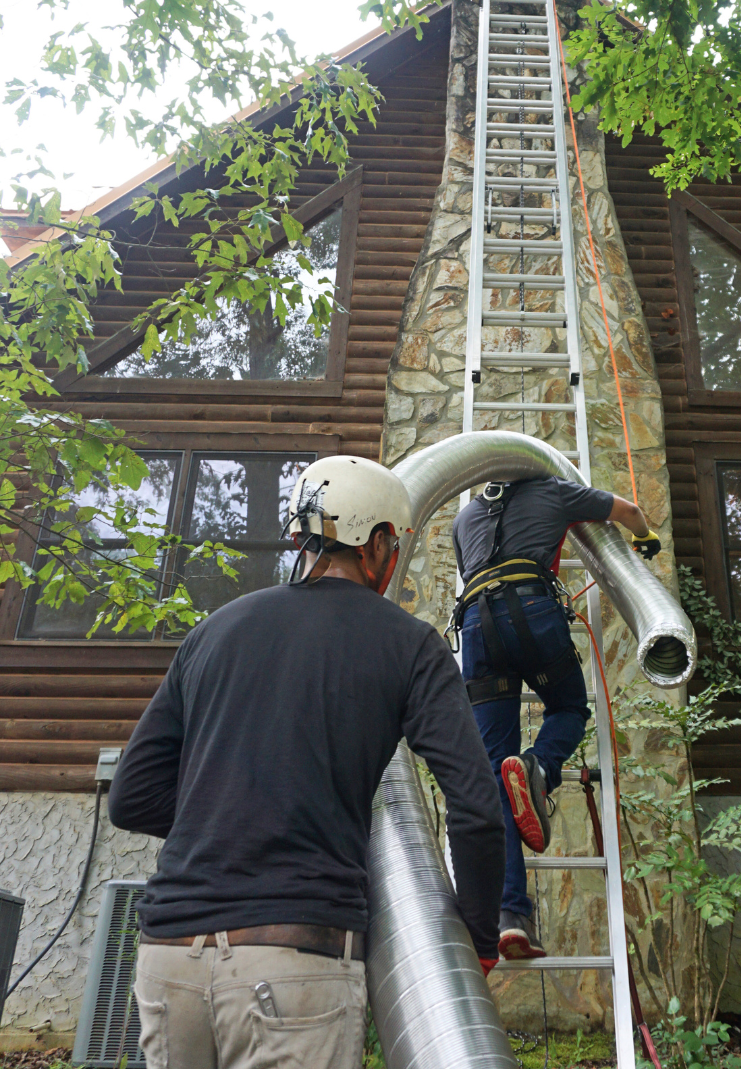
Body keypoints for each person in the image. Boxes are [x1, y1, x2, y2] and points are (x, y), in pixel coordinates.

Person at [109, 456, 505, 1069]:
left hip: (168, 963)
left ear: (301, 537)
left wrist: (231, 816)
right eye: (392, 545)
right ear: (377, 544)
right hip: (293, 965)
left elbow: (131, 797)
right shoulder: (408, 644)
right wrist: (478, 940)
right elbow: (477, 809)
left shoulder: (213, 632)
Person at [449, 476, 660, 960]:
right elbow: (627, 510)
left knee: (493, 772)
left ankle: (510, 917)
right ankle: (540, 768)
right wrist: (645, 538)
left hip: (478, 626)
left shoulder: (463, 520)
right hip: (531, 612)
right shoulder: (552, 489)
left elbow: (472, 572)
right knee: (568, 706)